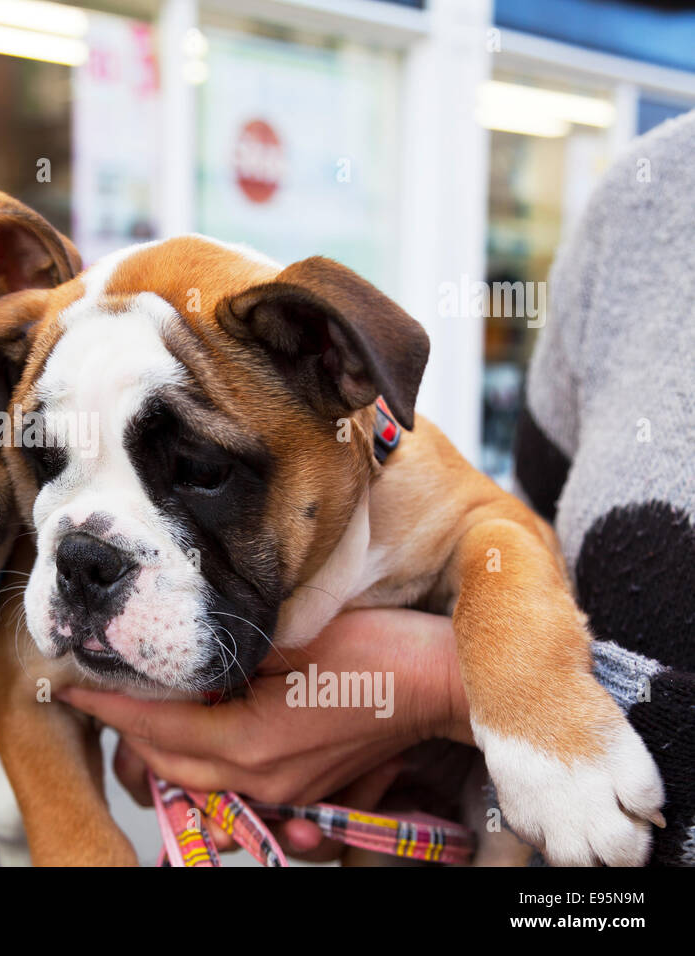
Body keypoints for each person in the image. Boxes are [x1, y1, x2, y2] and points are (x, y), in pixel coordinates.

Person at [61, 109, 695, 866]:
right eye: (50, 459)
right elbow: (541, 513)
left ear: (339, 366)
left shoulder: (399, 468)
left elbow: (502, 538)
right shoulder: (644, 196)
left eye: (199, 472)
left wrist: (459, 695)